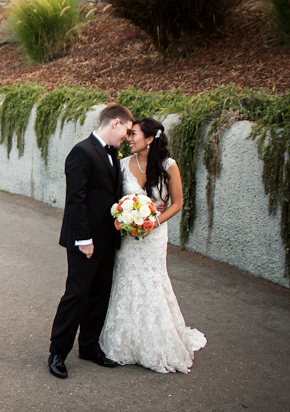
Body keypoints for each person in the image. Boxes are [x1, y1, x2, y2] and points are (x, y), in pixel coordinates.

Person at [100, 117, 206, 373]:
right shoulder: (123, 164)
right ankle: (124, 341)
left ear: (149, 139)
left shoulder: (169, 166)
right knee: (126, 278)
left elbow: (177, 203)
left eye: (133, 134)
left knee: (152, 279)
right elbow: (115, 201)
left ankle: (157, 342)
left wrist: (153, 222)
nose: (128, 138)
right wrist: (125, 217)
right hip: (129, 236)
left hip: (155, 236)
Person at [48, 104, 134, 379]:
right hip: (84, 241)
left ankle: (89, 346)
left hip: (108, 239)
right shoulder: (81, 152)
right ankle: (57, 353)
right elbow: (76, 199)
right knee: (76, 295)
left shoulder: (112, 154)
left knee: (100, 294)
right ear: (115, 123)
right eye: (127, 130)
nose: (128, 137)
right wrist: (84, 239)